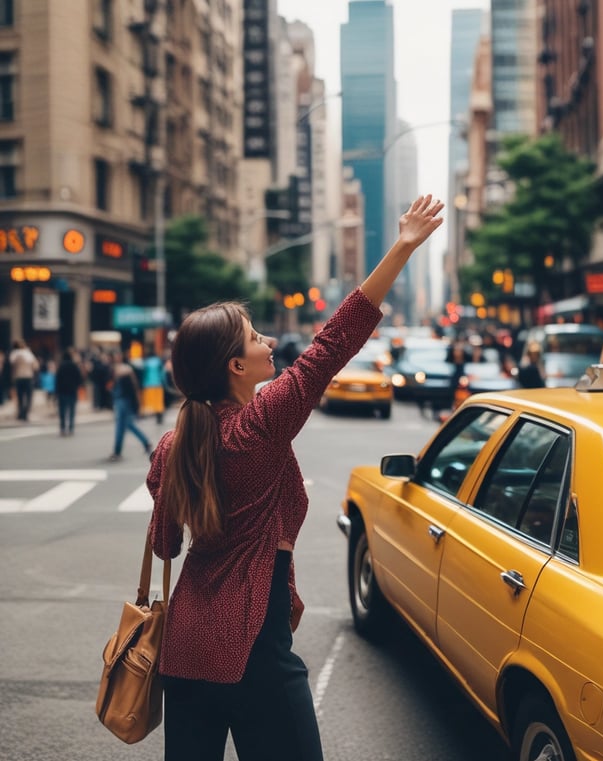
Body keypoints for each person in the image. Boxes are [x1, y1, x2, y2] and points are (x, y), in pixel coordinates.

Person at [145, 194, 443, 761]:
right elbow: (333, 343)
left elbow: (165, 545)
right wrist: (402, 247)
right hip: (253, 648)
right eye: (256, 337)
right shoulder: (260, 425)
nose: (269, 343)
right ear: (236, 366)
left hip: (184, 649)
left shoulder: (172, 446)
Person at [109, 351, 152, 461]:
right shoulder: (123, 369)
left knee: (122, 426)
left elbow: (132, 387)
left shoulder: (123, 369)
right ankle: (146, 442)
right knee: (127, 424)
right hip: (122, 400)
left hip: (123, 400)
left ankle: (117, 451)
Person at [54, 349, 84, 436]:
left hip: (62, 391)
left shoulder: (61, 366)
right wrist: (76, 386)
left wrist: (56, 392)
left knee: (62, 411)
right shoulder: (74, 366)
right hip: (72, 391)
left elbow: (57, 380)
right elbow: (79, 378)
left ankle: (63, 428)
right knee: (72, 411)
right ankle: (71, 428)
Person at [9, 339, 40, 421]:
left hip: (18, 377)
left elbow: (11, 366)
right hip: (28, 377)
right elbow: (36, 366)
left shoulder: (14, 354)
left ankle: (21, 413)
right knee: (28, 397)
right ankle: (26, 412)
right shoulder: (28, 354)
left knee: (20, 397)